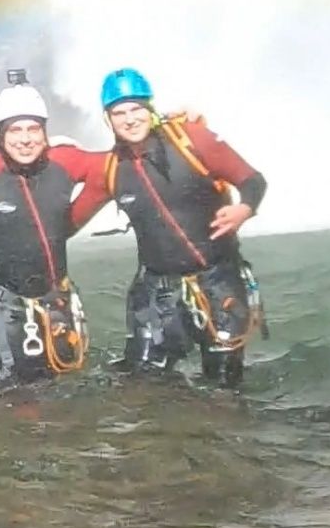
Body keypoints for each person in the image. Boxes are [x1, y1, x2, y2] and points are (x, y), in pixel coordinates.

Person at [69, 68, 267, 388]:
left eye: (136, 109)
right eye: (119, 112)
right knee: (144, 383)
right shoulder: (109, 169)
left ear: (150, 108)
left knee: (223, 386)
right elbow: (66, 224)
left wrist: (245, 208)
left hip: (217, 281)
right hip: (155, 291)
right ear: (108, 119)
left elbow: (253, 180)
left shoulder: (191, 139)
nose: (130, 119)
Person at [0, 71, 104, 388]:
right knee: (11, 387)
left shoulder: (65, 161)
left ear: (46, 132)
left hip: (54, 293)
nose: (25, 138)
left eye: (34, 129)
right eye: (15, 130)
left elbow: (120, 164)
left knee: (63, 381)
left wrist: (171, 129)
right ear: (1, 136)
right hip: (2, 299)